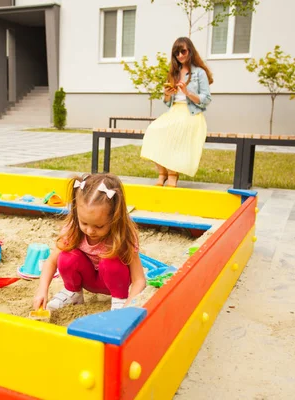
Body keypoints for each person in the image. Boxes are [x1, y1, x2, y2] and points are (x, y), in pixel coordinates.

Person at [33, 173, 146, 311]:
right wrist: (42, 290)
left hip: (115, 284)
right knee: (66, 256)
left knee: (110, 260)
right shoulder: (73, 230)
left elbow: (139, 280)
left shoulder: (123, 235)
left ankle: (118, 301)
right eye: (84, 222)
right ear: (76, 213)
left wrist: (129, 305)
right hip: (88, 279)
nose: (90, 231)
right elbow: (51, 262)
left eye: (99, 226)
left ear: (115, 218)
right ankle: (73, 293)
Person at [141, 37, 213, 188]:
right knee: (153, 130)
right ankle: (162, 173)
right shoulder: (174, 73)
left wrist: (187, 92)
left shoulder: (199, 73)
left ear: (190, 51)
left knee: (175, 132)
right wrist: (167, 93)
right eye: (176, 53)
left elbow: (206, 99)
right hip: (174, 111)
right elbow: (168, 102)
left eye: (183, 51)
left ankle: (173, 174)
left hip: (192, 113)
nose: (180, 55)